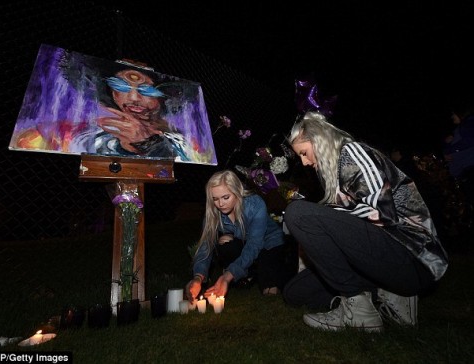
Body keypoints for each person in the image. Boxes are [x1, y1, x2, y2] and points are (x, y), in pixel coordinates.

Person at [282, 111, 448, 332]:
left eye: (304, 153)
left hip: (413, 258)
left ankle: (359, 308)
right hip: (380, 258)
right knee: (295, 293)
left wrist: (321, 216)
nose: (304, 162)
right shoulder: (335, 174)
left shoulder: (352, 153)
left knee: (298, 214)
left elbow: (384, 214)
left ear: (318, 140)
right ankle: (386, 295)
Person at [185, 170, 291, 302]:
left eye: (225, 197)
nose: (220, 204)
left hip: (270, 242)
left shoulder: (255, 204)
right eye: (215, 199)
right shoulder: (213, 213)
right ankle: (248, 274)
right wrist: (198, 277)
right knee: (226, 245)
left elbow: (254, 244)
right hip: (246, 243)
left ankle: (264, 271)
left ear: (237, 192)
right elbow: (205, 247)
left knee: (269, 288)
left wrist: (227, 276)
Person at [93, 68, 189, 160]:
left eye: (148, 90)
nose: (133, 98)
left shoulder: (182, 138)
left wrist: (145, 144)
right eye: (120, 86)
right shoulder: (98, 134)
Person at [443, 96, 474, 209]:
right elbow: (451, 146)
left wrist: (451, 150)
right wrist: (447, 147)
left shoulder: (469, 123)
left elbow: (469, 141)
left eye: (453, 113)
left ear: (461, 113)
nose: (452, 117)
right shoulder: (460, 128)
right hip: (465, 173)